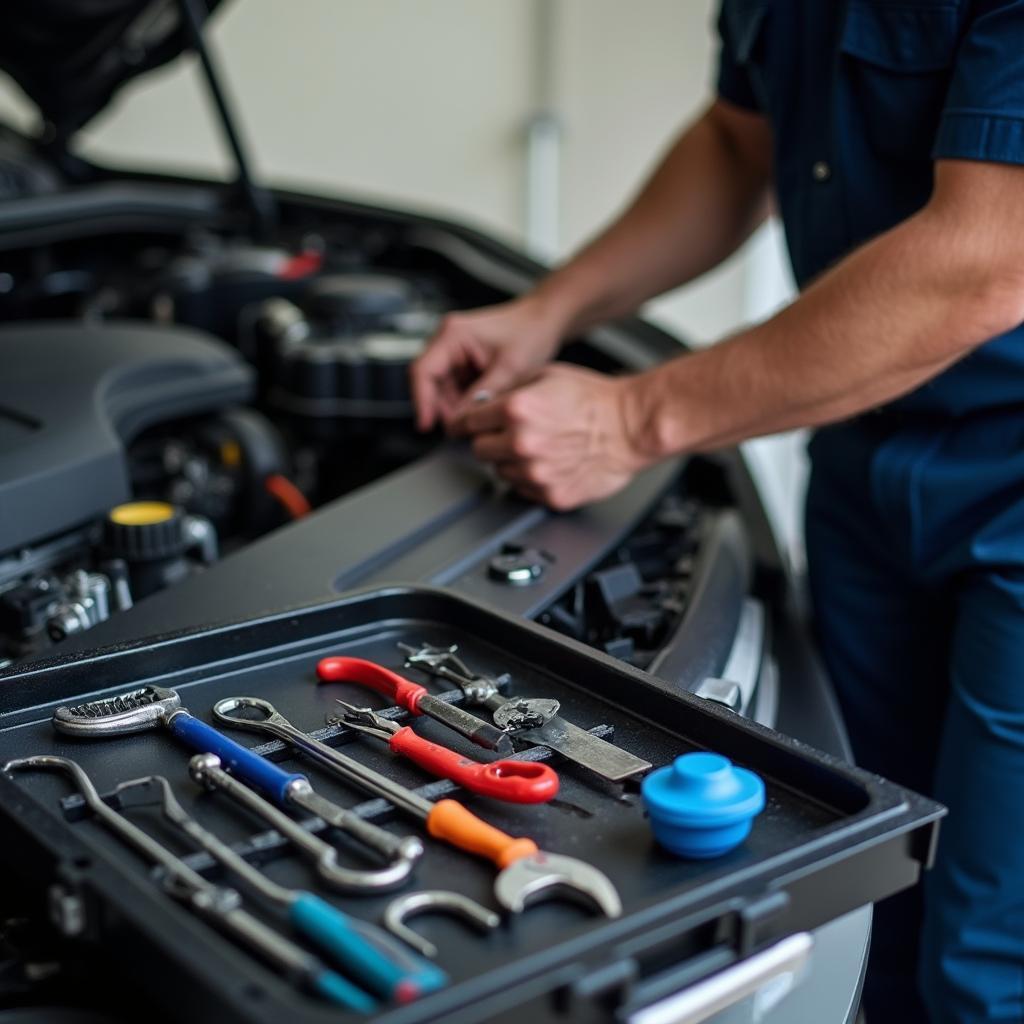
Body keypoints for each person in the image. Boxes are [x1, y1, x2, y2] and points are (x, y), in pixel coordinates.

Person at [409, 3, 1024, 1021]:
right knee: (876, 889)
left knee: (986, 961)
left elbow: (985, 259)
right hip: (865, 458)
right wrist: (548, 309)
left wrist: (631, 418)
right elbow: (736, 145)